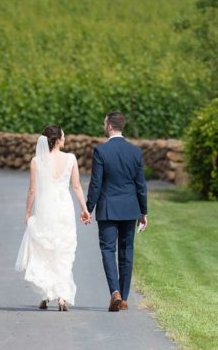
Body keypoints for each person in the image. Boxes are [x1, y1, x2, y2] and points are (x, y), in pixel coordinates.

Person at [15, 125, 91, 311]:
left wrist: (27, 211)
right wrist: (85, 209)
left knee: (46, 250)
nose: (65, 140)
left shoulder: (36, 161)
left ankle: (47, 294)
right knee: (63, 251)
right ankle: (61, 297)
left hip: (45, 209)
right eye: (63, 137)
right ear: (57, 140)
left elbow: (32, 190)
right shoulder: (71, 159)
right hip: (64, 209)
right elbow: (76, 187)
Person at [85, 111, 148, 312]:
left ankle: (115, 292)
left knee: (107, 250)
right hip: (130, 209)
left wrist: (88, 208)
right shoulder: (135, 152)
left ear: (110, 126)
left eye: (104, 123)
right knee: (126, 251)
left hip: (108, 209)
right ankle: (125, 297)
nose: (104, 126)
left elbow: (96, 184)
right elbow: (141, 185)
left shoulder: (101, 151)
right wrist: (143, 212)